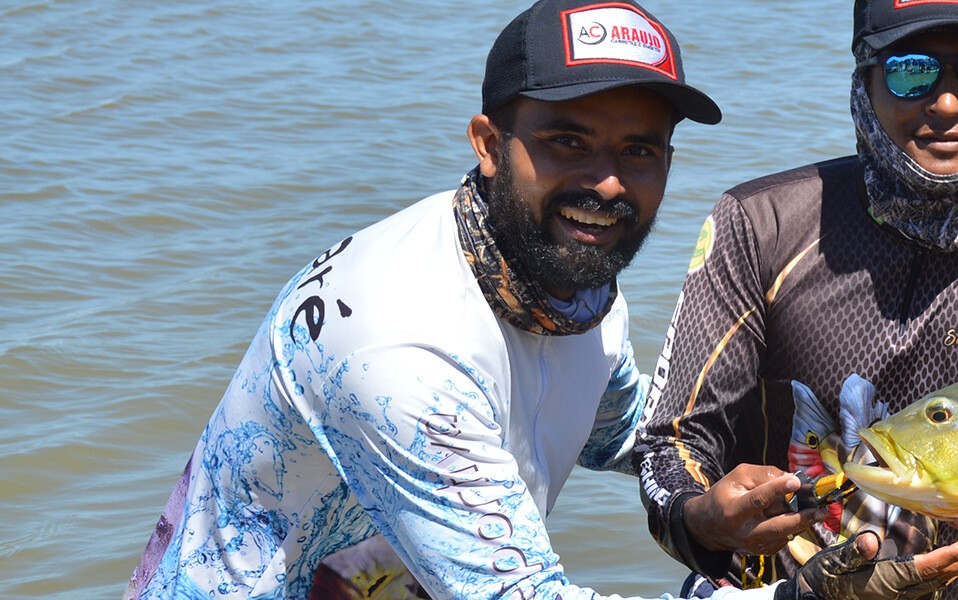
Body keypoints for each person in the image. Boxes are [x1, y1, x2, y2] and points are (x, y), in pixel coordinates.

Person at [116, 2, 827, 598]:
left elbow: (616, 431)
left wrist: (709, 498)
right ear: (490, 144)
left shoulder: (572, 277)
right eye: (567, 141)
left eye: (638, 151)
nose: (607, 185)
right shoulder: (403, 348)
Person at [632, 1, 958, 598]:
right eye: (912, 69)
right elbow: (671, 442)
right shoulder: (758, 226)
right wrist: (702, 518)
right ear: (864, 78)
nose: (948, 103)